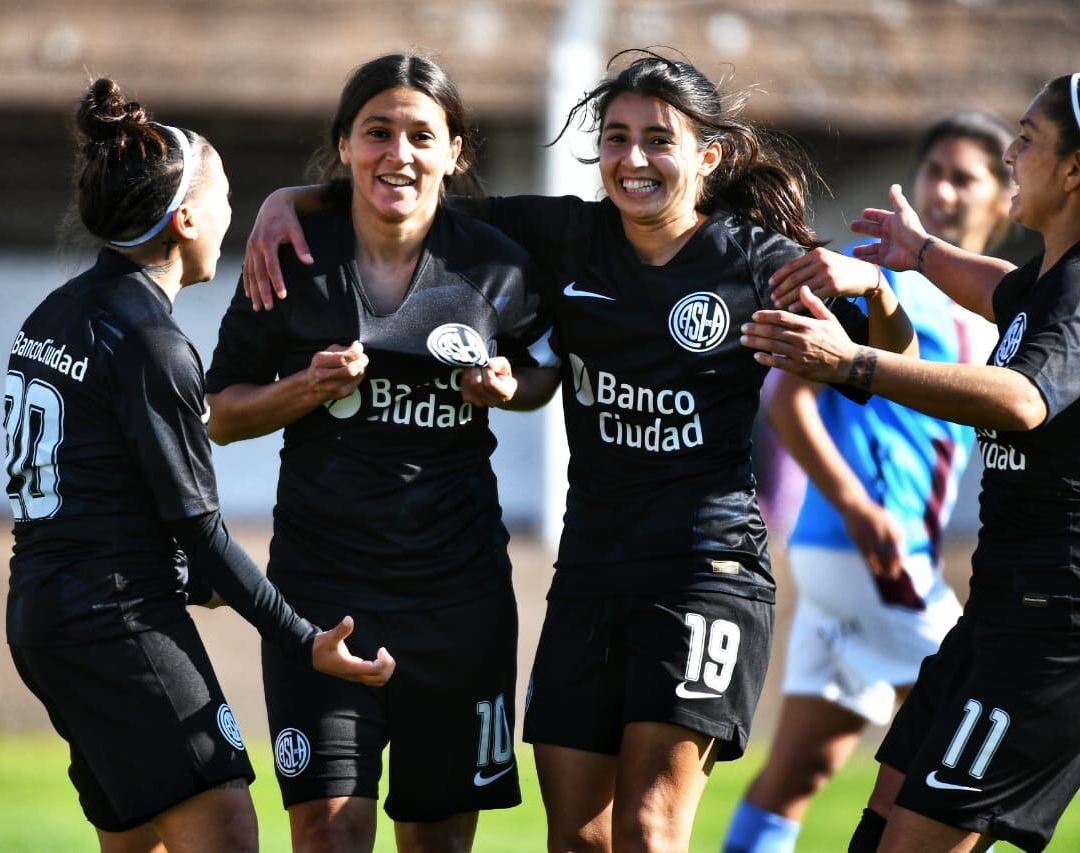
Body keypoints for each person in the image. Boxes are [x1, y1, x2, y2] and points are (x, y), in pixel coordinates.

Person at [244, 49, 917, 853]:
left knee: (646, 827)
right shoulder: (562, 237)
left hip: (706, 572)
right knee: (579, 839)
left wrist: (879, 295)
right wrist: (293, 197)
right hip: (590, 572)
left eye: (658, 140)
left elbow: (890, 370)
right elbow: (412, 189)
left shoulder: (757, 263)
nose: (632, 159)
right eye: (616, 138)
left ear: (707, 156)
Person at [741, 69, 1080, 852]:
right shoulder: (1057, 278)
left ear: (1074, 170)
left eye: (1025, 140)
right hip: (999, 617)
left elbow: (1022, 399)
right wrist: (920, 254)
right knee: (875, 829)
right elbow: (1002, 288)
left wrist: (854, 362)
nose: (1010, 153)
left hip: (1059, 633)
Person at [4, 78, 393, 853]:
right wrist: (300, 636)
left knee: (138, 839)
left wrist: (198, 583)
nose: (232, 218)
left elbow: (99, 487)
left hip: (43, 614)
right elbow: (196, 523)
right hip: (113, 620)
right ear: (184, 220)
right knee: (222, 824)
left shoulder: (55, 314)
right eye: (224, 200)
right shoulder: (152, 339)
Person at [205, 54, 558, 853]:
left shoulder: (495, 263)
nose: (398, 153)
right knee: (329, 834)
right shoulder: (289, 257)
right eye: (377, 132)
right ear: (344, 145)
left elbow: (545, 370)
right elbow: (221, 413)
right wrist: (305, 388)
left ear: (455, 152)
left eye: (421, 135)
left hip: (457, 597)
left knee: (435, 840)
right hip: (321, 593)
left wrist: (509, 386)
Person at [723, 110, 1013, 853]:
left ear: (1003, 198)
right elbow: (787, 398)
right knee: (970, 730)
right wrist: (858, 507)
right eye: (934, 171)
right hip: (867, 551)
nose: (943, 190)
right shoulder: (888, 287)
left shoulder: (990, 316)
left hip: (854, 561)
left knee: (794, 772)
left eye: (965, 177)